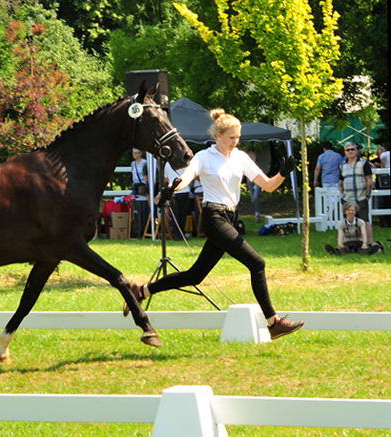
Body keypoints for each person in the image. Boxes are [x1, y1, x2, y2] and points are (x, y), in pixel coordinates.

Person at [125, 109, 304, 340]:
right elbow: (187, 177)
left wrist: (281, 173)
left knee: (195, 276)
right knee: (257, 263)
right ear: (218, 135)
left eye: (238, 138)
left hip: (230, 218)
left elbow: (268, 185)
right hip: (213, 217)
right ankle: (273, 322)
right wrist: (173, 188)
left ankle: (142, 290)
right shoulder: (204, 157)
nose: (235, 142)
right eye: (232, 138)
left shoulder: (241, 157)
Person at [339, 141, 379, 249]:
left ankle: (370, 243)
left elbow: (369, 179)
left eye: (352, 149)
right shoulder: (342, 166)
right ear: (345, 152)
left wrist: (367, 195)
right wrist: (341, 194)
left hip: (361, 197)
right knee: (348, 222)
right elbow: (341, 181)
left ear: (356, 150)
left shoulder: (364, 163)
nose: (350, 151)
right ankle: (347, 244)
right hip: (347, 198)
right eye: (348, 150)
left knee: (365, 220)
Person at [164, 163, 190, 240]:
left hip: (174, 191)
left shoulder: (167, 164)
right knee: (183, 214)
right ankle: (182, 233)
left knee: (175, 213)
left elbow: (166, 179)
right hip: (184, 190)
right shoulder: (184, 163)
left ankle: (176, 234)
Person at [245, 146, 262, 223]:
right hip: (250, 181)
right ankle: (257, 215)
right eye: (249, 153)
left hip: (258, 181)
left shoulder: (257, 160)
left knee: (255, 197)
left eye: (251, 153)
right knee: (253, 199)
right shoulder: (246, 160)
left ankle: (257, 215)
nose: (250, 155)